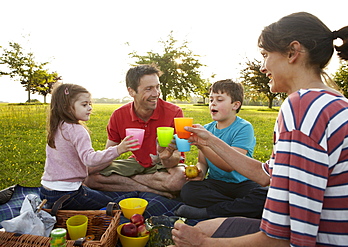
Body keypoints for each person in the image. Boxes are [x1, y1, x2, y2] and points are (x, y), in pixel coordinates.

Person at [170, 12, 348, 246]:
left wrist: (203, 244)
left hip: (329, 240)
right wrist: (208, 141)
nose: (263, 67)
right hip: (339, 233)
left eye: (265, 55)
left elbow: (281, 238)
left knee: (198, 235)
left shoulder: (302, 106)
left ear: (292, 52)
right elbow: (266, 175)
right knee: (204, 226)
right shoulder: (334, 100)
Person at [84, 64, 187, 198]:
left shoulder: (174, 112)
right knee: (87, 176)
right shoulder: (119, 115)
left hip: (164, 166)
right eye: (149, 89)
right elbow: (108, 154)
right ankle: (152, 190)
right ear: (131, 91)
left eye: (157, 87)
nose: (156, 93)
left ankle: (131, 183)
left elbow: (176, 158)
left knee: (179, 180)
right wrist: (87, 170)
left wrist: (164, 155)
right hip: (136, 163)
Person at [175, 79, 267, 219]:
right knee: (189, 190)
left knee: (265, 197)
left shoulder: (244, 128)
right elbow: (203, 162)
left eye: (219, 99)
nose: (213, 103)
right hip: (217, 184)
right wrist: (200, 172)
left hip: (243, 183)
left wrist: (202, 144)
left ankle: (209, 212)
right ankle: (236, 209)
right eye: (211, 99)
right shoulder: (207, 129)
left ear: (235, 105)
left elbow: (229, 166)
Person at [40, 83, 139, 210]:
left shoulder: (57, 126)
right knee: (111, 203)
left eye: (90, 104)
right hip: (68, 194)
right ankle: (133, 198)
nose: (90, 108)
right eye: (84, 104)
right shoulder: (77, 130)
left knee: (96, 195)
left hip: (46, 192)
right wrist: (119, 149)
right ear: (67, 107)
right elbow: (90, 159)